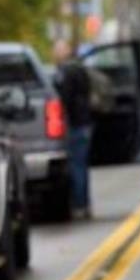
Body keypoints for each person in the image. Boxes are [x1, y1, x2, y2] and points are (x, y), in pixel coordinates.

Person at [53, 39, 93, 220]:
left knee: (76, 167)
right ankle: (85, 204)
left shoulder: (65, 72)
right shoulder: (81, 69)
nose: (55, 54)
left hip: (75, 124)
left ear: (64, 51)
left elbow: (64, 100)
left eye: (57, 50)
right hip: (85, 122)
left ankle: (78, 205)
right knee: (82, 167)